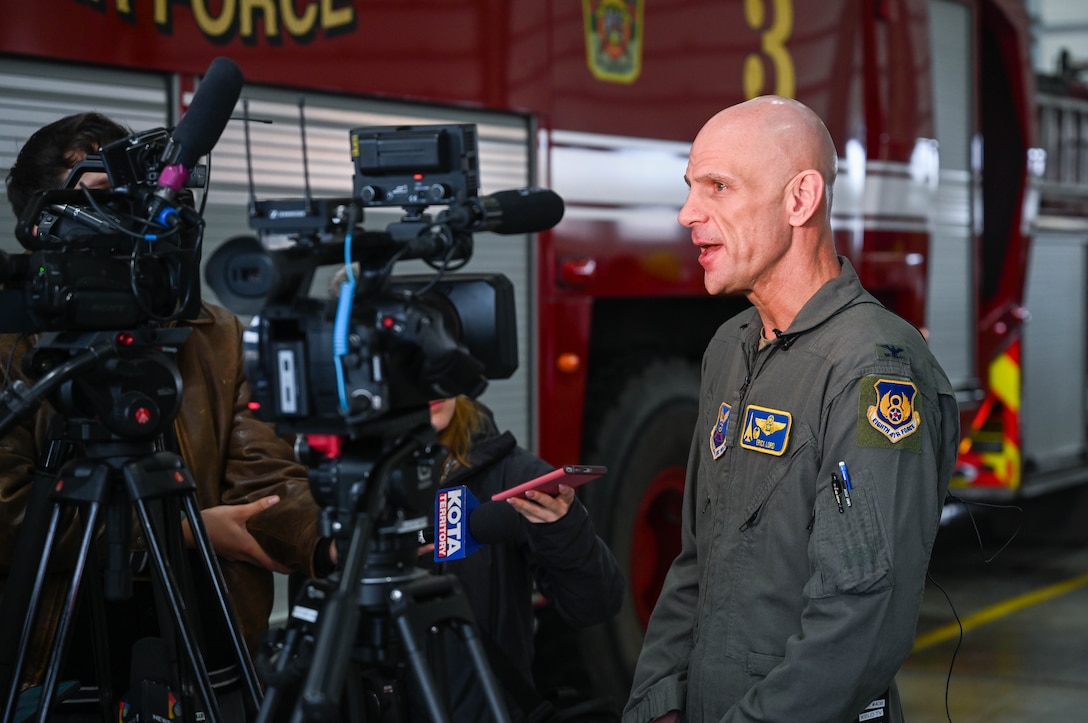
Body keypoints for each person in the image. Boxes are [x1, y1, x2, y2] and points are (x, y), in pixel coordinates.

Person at [622, 96, 960, 723]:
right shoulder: (730, 348)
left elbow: (861, 615)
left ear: (800, 200)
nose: (688, 213)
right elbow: (695, 560)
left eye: (717, 186)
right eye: (691, 188)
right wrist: (659, 703)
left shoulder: (875, 369)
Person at [0, 112, 330, 704]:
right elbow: (10, 517)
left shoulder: (215, 334)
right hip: (53, 668)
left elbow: (268, 479)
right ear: (44, 225)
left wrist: (325, 544)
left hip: (208, 658)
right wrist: (184, 530)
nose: (138, 216)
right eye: (104, 198)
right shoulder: (12, 344)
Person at [419, 395, 624, 722]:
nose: (433, 389)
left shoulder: (511, 471)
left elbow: (596, 603)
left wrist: (564, 529)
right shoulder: (347, 479)